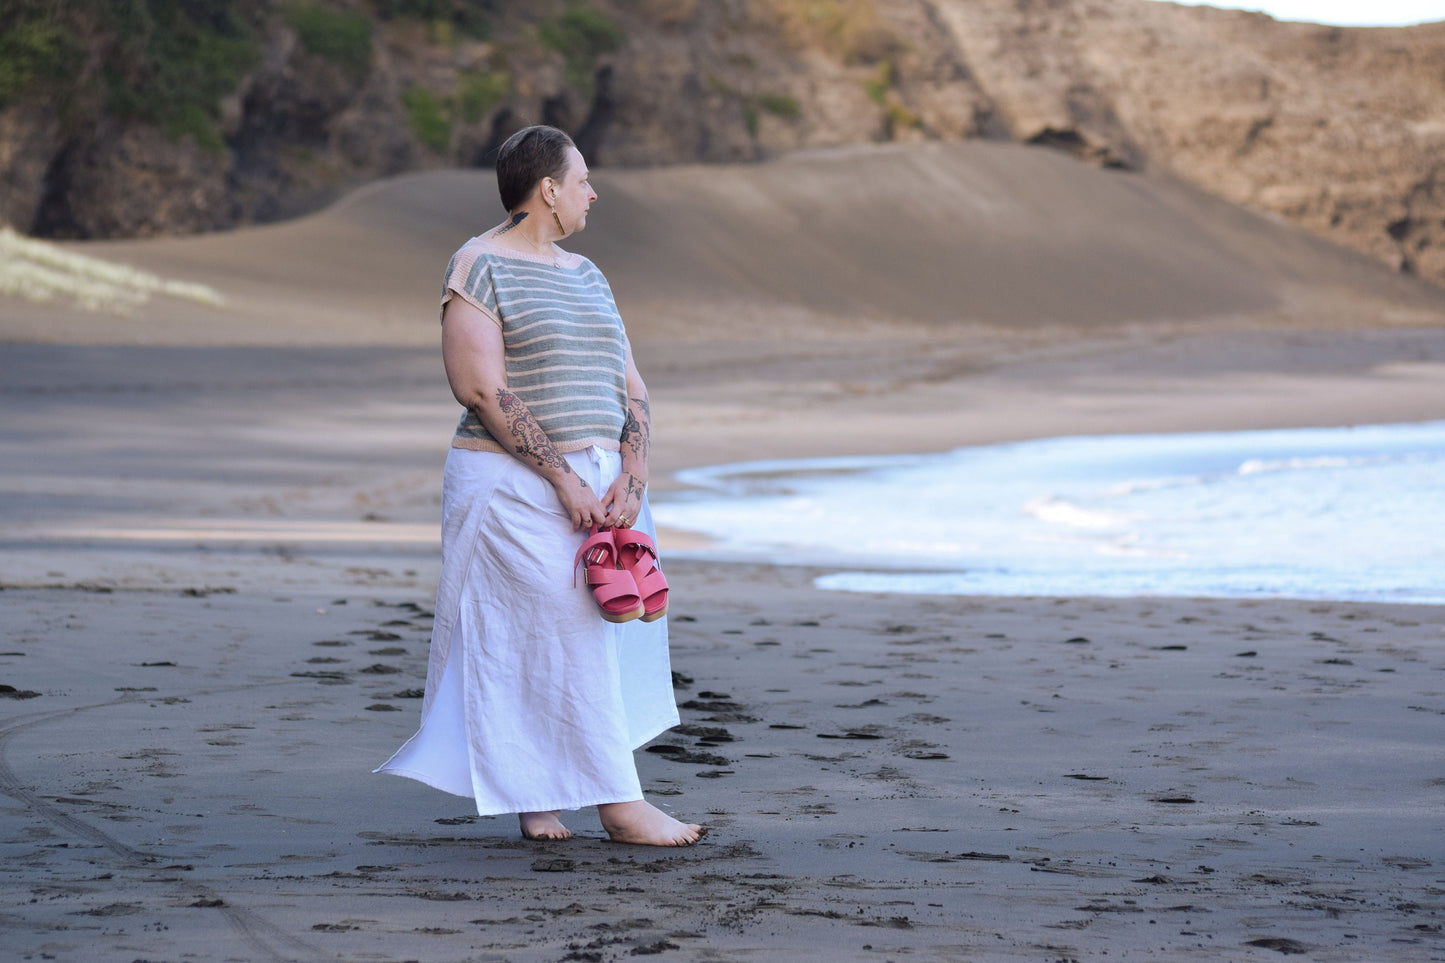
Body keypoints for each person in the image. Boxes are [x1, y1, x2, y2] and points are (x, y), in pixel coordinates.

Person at [375, 125, 702, 846]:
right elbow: (480, 388)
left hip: (603, 480)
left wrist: (634, 469)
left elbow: (630, 382)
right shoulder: (477, 263)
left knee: (600, 630)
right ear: (547, 189)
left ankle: (537, 793)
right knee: (551, 630)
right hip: (513, 481)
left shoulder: (588, 274)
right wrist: (558, 475)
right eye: (582, 179)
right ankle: (619, 803)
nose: (593, 192)